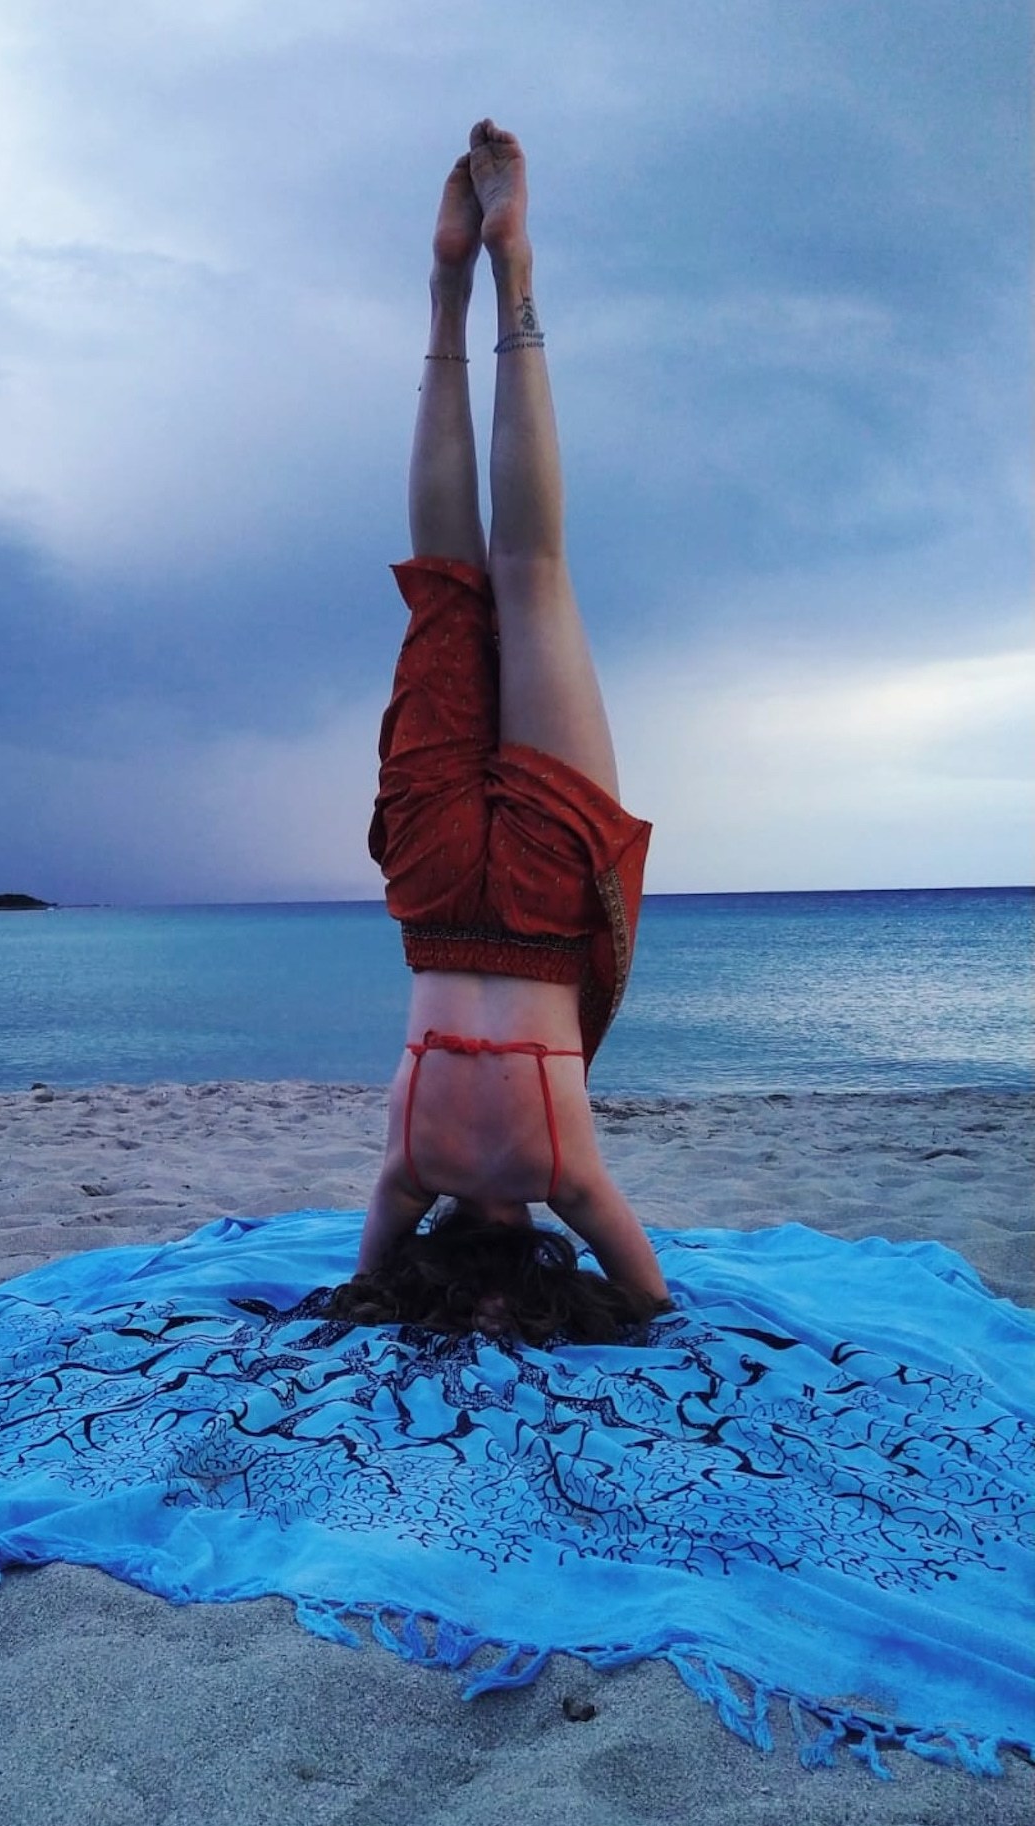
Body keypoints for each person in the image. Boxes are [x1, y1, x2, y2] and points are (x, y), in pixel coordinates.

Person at [321, 120, 674, 1347]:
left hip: (536, 912)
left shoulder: (559, 1178)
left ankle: (516, 277)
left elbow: (645, 1294)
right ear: (436, 1243)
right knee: (446, 577)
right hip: (431, 895)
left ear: (529, 1247)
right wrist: (386, 1273)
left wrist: (594, 1278)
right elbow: (375, 1250)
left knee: (530, 571)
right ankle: (446, 294)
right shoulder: (406, 1172)